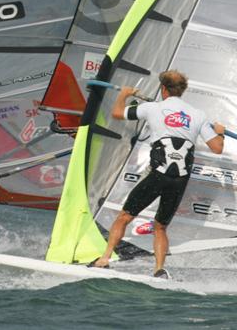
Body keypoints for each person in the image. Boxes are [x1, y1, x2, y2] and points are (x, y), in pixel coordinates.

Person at [90, 70, 225, 279]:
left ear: (163, 89)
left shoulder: (152, 108)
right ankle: (159, 270)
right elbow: (217, 147)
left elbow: (117, 113)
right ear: (182, 90)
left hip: (157, 176)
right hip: (179, 180)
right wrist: (220, 132)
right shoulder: (198, 115)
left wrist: (124, 94)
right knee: (160, 227)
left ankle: (104, 259)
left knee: (124, 217)